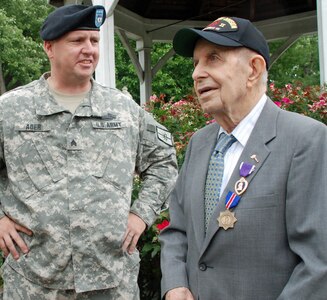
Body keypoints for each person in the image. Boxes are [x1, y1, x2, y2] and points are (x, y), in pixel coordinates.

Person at [0, 4, 177, 299]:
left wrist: (141, 214)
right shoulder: (11, 110)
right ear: (49, 47)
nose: (89, 49)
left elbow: (163, 160)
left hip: (111, 279)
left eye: (94, 41)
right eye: (77, 41)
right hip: (33, 282)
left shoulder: (122, 109)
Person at [159, 16, 327, 300]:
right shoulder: (199, 143)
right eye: (195, 63)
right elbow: (177, 231)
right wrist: (175, 284)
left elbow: (318, 264)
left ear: (253, 69)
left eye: (213, 58)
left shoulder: (306, 140)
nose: (196, 73)